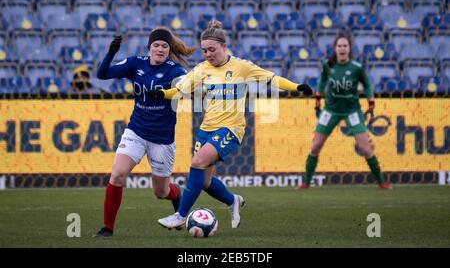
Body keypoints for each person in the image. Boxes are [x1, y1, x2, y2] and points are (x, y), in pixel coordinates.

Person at [152, 20, 313, 230]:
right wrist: (163, 93)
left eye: (212, 49)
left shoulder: (241, 67)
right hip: (206, 129)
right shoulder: (201, 70)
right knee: (205, 181)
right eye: (204, 51)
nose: (208, 54)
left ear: (224, 47)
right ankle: (232, 201)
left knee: (197, 162)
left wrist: (297, 86)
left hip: (231, 129)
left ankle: (181, 215)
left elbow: (271, 79)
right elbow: (180, 90)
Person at [93, 27, 195, 237]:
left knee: (161, 192)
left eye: (164, 46)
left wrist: (165, 93)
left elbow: (186, 91)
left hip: (162, 138)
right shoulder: (135, 63)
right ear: (149, 47)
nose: (160, 49)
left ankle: (175, 196)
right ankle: (107, 228)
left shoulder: (175, 71)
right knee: (117, 174)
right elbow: (102, 75)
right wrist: (111, 53)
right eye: (156, 45)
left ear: (169, 50)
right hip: (136, 131)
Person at [298, 34, 391, 189]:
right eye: (339, 46)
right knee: (315, 146)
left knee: (366, 148)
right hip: (331, 110)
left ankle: (382, 182)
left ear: (349, 49)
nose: (342, 48)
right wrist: (318, 97)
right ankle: (306, 183)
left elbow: (367, 85)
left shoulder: (356, 67)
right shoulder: (328, 65)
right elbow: (322, 80)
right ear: (335, 48)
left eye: (345, 46)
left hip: (351, 110)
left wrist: (371, 101)